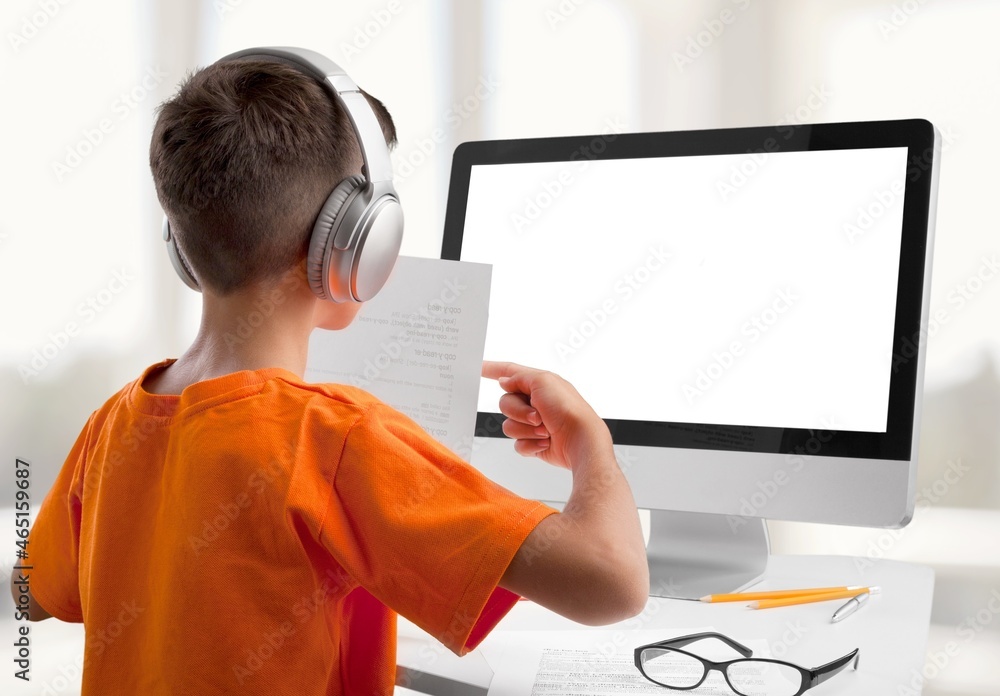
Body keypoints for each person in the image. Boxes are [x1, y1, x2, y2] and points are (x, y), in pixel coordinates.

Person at [13, 50, 648, 695]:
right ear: (355, 242)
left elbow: (29, 593)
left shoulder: (112, 424)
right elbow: (612, 583)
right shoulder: (336, 440)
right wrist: (591, 442)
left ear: (182, 243)